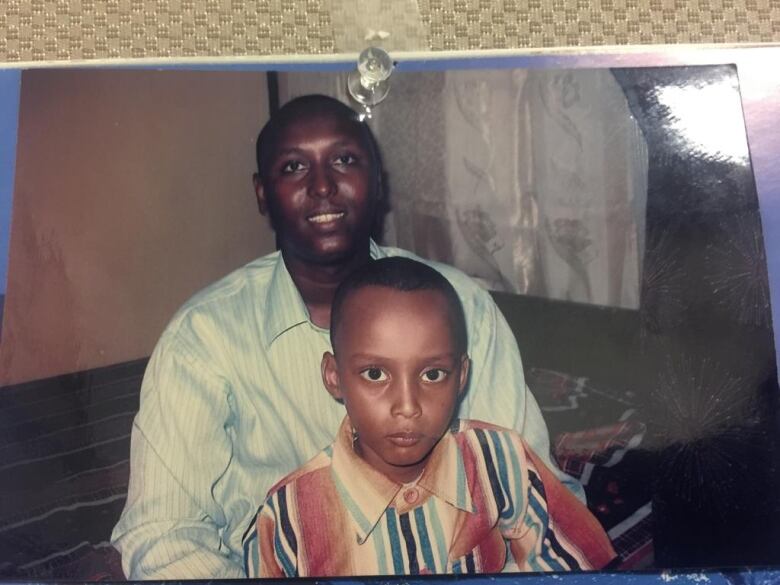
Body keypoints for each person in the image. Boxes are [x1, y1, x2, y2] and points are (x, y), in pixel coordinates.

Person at [111, 94, 583, 579]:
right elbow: (161, 532)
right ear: (261, 194)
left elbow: (541, 497)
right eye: (294, 167)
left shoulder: (462, 306)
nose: (322, 186)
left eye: (343, 160)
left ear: (377, 181)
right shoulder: (203, 337)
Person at [244, 257, 614, 577]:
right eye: (375, 374)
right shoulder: (288, 519)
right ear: (333, 377)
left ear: (462, 377)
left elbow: (574, 565)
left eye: (432, 374)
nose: (408, 406)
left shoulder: (500, 462)